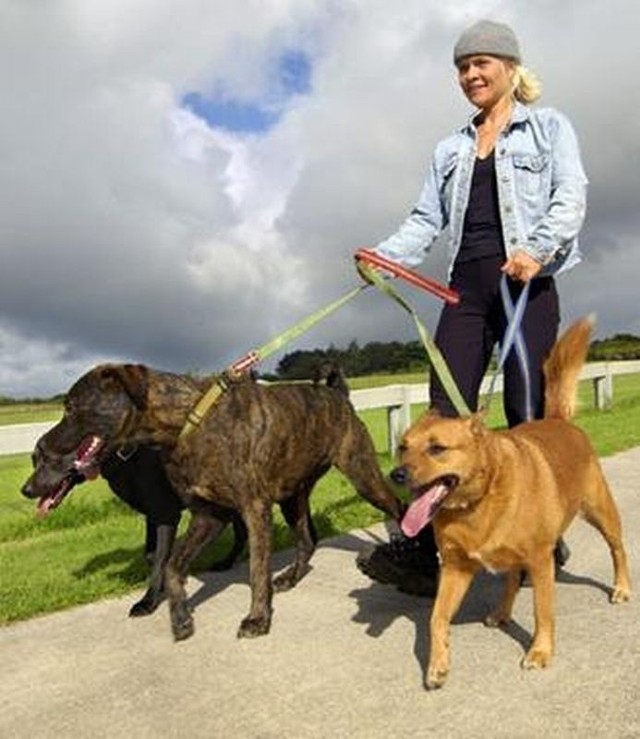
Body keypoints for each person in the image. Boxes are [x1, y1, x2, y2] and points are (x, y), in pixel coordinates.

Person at [355, 19, 588, 596]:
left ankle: (543, 533)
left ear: (510, 68)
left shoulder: (549, 128)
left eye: (481, 63)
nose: (471, 75)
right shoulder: (451, 148)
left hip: (525, 284)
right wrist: (384, 257)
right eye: (462, 67)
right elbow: (425, 220)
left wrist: (536, 250)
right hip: (463, 288)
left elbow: (570, 196)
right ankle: (423, 544)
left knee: (525, 410)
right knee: (441, 418)